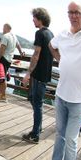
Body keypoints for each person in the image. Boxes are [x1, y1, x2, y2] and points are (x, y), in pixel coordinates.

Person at [40, 2, 81, 160]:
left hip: (79, 99)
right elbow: (50, 44)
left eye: (77, 12)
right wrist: (59, 58)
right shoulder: (62, 34)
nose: (74, 16)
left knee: (71, 139)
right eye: (70, 12)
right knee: (60, 135)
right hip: (61, 95)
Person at [21, 8, 54, 144]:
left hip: (38, 75)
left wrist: (28, 73)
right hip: (45, 74)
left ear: (39, 18)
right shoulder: (50, 33)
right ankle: (38, 129)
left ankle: (35, 135)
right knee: (35, 102)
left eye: (34, 17)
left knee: (37, 104)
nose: (32, 20)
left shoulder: (40, 33)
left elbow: (36, 55)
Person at [0, 23, 25, 102]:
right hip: (9, 59)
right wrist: (21, 52)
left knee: (1, 78)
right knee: (2, 77)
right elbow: (18, 45)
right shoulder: (14, 36)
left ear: (5, 28)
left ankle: (3, 96)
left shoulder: (5, 36)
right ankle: (0, 94)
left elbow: (2, 49)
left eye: (3, 28)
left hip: (3, 59)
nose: (2, 30)